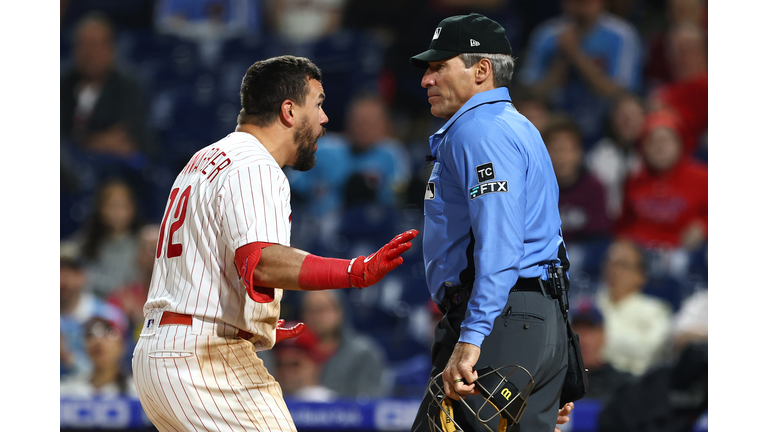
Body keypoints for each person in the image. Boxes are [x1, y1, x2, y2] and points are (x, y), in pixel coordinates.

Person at [131, 55, 417, 432]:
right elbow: (261, 261)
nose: (325, 118)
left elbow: (214, 261)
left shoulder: (205, 158)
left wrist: (249, 318)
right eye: (318, 103)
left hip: (162, 350)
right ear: (289, 110)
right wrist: (352, 271)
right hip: (201, 359)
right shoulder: (255, 165)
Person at [408, 13, 573, 432]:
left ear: (481, 70)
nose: (426, 79)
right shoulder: (519, 126)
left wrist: (473, 335)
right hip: (534, 317)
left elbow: (501, 243)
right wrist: (547, 352)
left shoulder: (479, 130)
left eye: (438, 67)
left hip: (500, 320)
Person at [518, 0, 642, 148]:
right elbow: (532, 92)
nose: (581, 10)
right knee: (530, 111)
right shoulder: (547, 34)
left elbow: (619, 92)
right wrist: (561, 59)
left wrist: (576, 54)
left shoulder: (621, 34)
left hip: (605, 121)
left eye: (586, 3)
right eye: (575, 3)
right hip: (555, 121)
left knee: (628, 108)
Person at [60, 12, 153, 157]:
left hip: (111, 168)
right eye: (82, 45)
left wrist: (86, 142)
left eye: (94, 45)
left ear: (111, 50)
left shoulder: (128, 88)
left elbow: (127, 138)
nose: (88, 53)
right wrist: (91, 143)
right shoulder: (63, 85)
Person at [613, 110, 708, 251]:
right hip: (641, 254)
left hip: (685, 253)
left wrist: (704, 227)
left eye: (666, 140)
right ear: (643, 148)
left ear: (680, 144)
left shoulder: (703, 178)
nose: (660, 147)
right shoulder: (633, 179)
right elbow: (623, 225)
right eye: (653, 141)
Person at [595, 239, 673, 376]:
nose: (615, 271)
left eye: (623, 265)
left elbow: (647, 350)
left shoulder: (655, 310)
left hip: (633, 385)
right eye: (611, 263)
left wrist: (596, 339)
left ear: (641, 276)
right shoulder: (588, 305)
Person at [60, 241, 130, 380]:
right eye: (60, 271)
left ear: (84, 275)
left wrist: (68, 358)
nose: (64, 279)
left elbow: (113, 367)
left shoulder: (110, 316)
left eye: (73, 272)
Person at [300, 290, 388, 398]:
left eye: (322, 310)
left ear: (339, 312)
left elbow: (370, 399)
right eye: (310, 311)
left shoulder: (363, 353)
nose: (316, 317)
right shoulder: (291, 352)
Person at [542, 116, 611, 246]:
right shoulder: (534, 189)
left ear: (579, 153)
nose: (561, 157)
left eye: (567, 150)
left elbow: (599, 238)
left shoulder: (594, 188)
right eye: (555, 150)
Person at [71, 178, 144, 299]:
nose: (117, 213)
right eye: (112, 206)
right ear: (100, 209)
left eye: (122, 207)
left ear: (132, 209)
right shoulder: (85, 243)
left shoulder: (141, 245)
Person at [569, 300, 634, 404]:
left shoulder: (623, 384)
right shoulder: (557, 382)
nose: (582, 340)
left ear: (603, 336)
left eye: (589, 331)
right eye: (576, 330)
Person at [60, 316, 138, 398]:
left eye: (108, 333)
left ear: (121, 345)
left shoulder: (136, 392)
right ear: (84, 347)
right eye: (89, 335)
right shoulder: (70, 391)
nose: (98, 340)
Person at [272, 326, 337, 402]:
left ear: (315, 365)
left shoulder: (331, 405)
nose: (286, 372)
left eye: (295, 364)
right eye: (280, 364)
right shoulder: (264, 403)